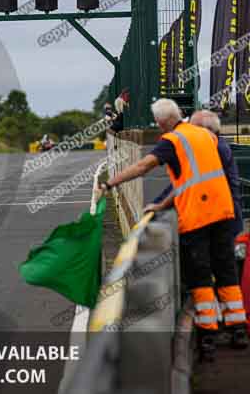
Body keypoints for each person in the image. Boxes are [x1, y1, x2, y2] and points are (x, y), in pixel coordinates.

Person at [99, 98, 248, 356]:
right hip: (223, 211)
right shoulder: (206, 136)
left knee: (200, 275)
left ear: (161, 122)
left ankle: (208, 334)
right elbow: (191, 180)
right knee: (226, 270)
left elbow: (143, 166)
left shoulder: (172, 141)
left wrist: (110, 183)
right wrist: (162, 203)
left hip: (197, 216)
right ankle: (237, 327)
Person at [153, 110, 244, 238]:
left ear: (205, 130)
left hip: (219, 223)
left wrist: (158, 205)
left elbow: (186, 182)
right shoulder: (216, 146)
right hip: (215, 220)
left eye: (192, 128)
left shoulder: (215, 149)